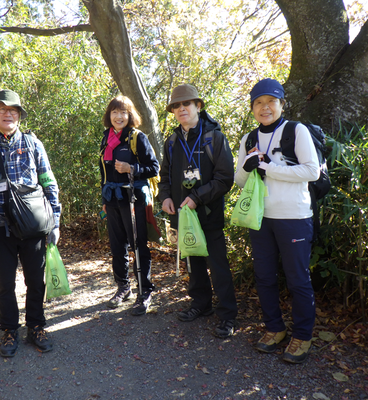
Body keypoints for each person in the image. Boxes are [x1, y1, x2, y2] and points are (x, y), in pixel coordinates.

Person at [0, 89, 61, 357]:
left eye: (13, 110)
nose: (8, 113)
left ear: (19, 115)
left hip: (32, 226)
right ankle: (9, 329)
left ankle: (36, 326)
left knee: (36, 281)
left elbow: (48, 181)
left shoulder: (33, 144)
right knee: (4, 283)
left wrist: (55, 220)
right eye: (2, 109)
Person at [234, 78, 319, 363]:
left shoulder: (296, 131)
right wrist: (247, 168)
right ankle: (275, 329)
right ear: (252, 108)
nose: (265, 107)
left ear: (282, 104)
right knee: (264, 276)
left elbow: (312, 172)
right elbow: (239, 180)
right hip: (260, 218)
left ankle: (302, 336)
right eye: (258, 102)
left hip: (293, 217)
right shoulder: (248, 139)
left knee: (297, 279)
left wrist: (270, 168)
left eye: (271, 101)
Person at [158, 84, 238, 338]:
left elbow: (225, 178)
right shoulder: (172, 142)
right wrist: (165, 197)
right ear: (173, 111)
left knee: (218, 265)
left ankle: (227, 316)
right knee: (193, 262)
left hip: (208, 214)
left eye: (187, 104)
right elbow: (164, 176)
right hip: (183, 215)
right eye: (177, 106)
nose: (182, 109)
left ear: (198, 106)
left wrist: (196, 197)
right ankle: (200, 304)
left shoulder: (214, 137)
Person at [99, 95, 160, 316]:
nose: (118, 116)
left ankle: (145, 291)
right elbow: (103, 172)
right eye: (114, 112)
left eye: (123, 112)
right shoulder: (107, 138)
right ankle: (123, 287)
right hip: (113, 199)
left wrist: (131, 168)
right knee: (117, 247)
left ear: (129, 115)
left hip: (134, 200)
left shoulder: (137, 138)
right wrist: (105, 201)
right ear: (110, 115)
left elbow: (154, 167)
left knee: (138, 246)